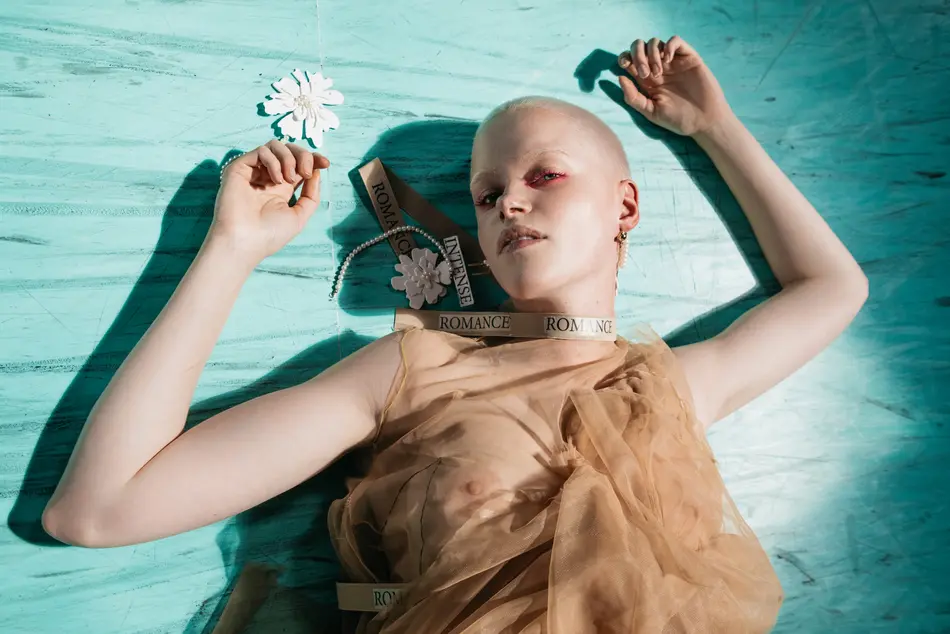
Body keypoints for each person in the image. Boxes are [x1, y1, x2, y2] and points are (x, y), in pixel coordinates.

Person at [41, 35, 868, 633]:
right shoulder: (413, 369)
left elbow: (832, 288)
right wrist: (230, 250)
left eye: (544, 176)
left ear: (625, 205)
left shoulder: (673, 386)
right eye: (485, 195)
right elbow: (98, 511)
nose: (509, 204)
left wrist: (713, 127)